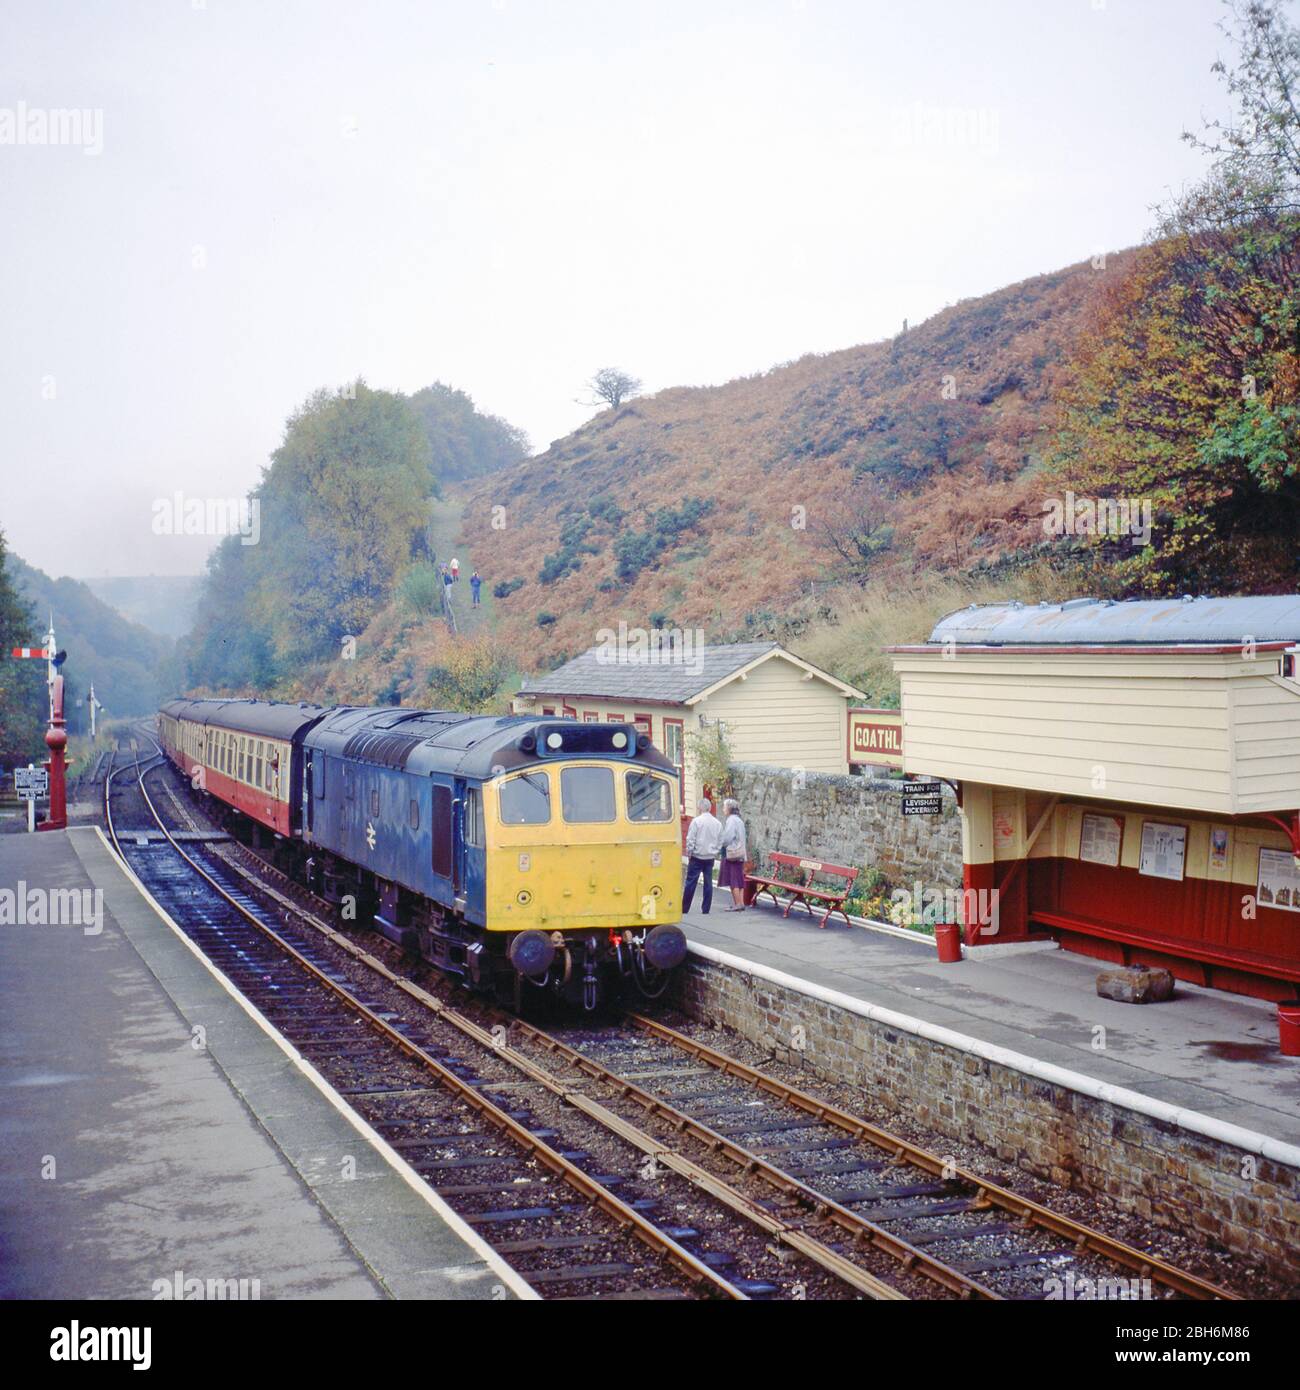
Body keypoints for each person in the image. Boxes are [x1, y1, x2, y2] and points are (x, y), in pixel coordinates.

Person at [682, 797, 722, 914]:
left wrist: (690, 852)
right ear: (709, 808)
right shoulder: (717, 823)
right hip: (710, 856)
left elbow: (691, 838)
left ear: (700, 808)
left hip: (697, 855)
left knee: (691, 882)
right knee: (708, 883)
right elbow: (720, 840)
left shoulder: (696, 821)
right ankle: (706, 908)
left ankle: (685, 908)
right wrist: (715, 851)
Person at [718, 798, 748, 910]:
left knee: (733, 879)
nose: (723, 809)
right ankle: (741, 903)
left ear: (729, 808)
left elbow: (728, 838)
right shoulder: (739, 820)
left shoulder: (731, 820)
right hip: (740, 853)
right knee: (739, 878)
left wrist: (720, 843)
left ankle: (737, 904)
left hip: (732, 853)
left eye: (724, 807)